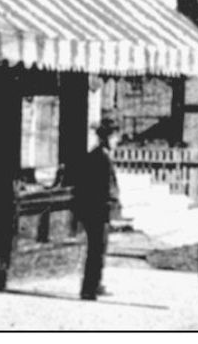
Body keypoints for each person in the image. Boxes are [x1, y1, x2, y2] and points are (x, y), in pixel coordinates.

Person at [74, 116, 120, 301]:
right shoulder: (101, 157)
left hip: (96, 209)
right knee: (97, 250)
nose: (117, 141)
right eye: (115, 137)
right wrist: (113, 203)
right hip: (98, 210)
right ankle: (89, 289)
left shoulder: (97, 154)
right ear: (107, 137)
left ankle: (94, 284)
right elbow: (105, 187)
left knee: (97, 249)